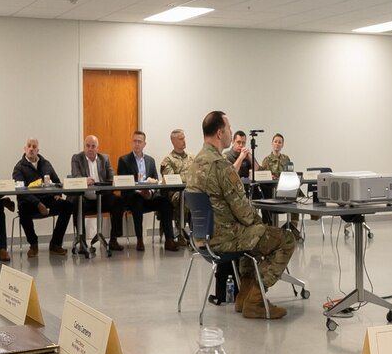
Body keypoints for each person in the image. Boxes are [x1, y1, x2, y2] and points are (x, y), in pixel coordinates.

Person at [185, 110, 299, 319]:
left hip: (202, 238)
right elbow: (245, 212)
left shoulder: (195, 163)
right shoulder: (221, 166)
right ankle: (255, 300)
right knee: (287, 239)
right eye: (229, 128)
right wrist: (261, 224)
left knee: (252, 237)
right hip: (225, 239)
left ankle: (244, 297)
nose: (230, 131)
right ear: (220, 133)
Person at [114, 130, 176, 252]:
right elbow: (122, 185)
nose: (136, 144)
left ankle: (169, 239)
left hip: (148, 195)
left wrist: (151, 192)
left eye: (139, 142)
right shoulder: (124, 160)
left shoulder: (150, 160)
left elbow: (155, 181)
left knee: (165, 202)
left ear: (144, 144)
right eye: (134, 141)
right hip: (132, 196)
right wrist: (139, 192)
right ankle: (140, 239)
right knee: (137, 201)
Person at [12, 138, 71, 254]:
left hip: (48, 199)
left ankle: (55, 243)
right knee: (23, 210)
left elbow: (57, 182)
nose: (31, 149)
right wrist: (38, 204)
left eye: (34, 147)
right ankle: (33, 244)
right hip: (30, 202)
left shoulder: (46, 164)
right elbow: (20, 191)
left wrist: (58, 194)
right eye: (29, 146)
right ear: (25, 149)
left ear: (38, 150)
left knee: (68, 206)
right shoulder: (19, 167)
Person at [69, 134, 120, 253]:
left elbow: (112, 177)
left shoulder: (105, 158)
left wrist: (102, 185)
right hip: (85, 198)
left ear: (97, 148)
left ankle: (113, 239)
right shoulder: (77, 158)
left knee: (118, 201)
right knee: (76, 202)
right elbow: (76, 176)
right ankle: (82, 241)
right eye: (87, 146)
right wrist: (84, 181)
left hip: (101, 197)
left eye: (93, 146)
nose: (90, 149)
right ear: (84, 147)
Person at [161, 127, 192, 244]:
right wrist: (187, 181)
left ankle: (201, 235)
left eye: (184, 138)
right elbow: (172, 181)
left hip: (191, 191)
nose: (184, 141)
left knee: (201, 196)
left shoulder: (192, 158)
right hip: (175, 194)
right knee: (184, 197)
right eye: (181, 139)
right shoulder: (168, 160)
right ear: (173, 142)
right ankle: (180, 233)